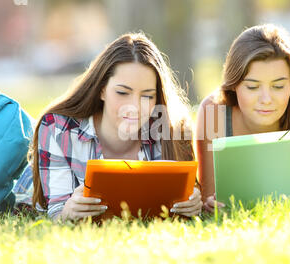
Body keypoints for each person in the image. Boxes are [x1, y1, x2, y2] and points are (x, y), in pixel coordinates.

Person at [17, 32, 203, 221]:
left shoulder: (173, 130)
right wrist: (68, 211)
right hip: (30, 185)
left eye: (147, 96)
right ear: (102, 89)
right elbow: (56, 213)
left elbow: (184, 202)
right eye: (123, 93)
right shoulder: (58, 129)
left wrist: (193, 203)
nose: (135, 107)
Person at [196, 24, 290, 213]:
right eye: (252, 87)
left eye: (278, 86)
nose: (266, 100)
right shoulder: (213, 113)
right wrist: (209, 206)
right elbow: (209, 198)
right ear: (234, 85)